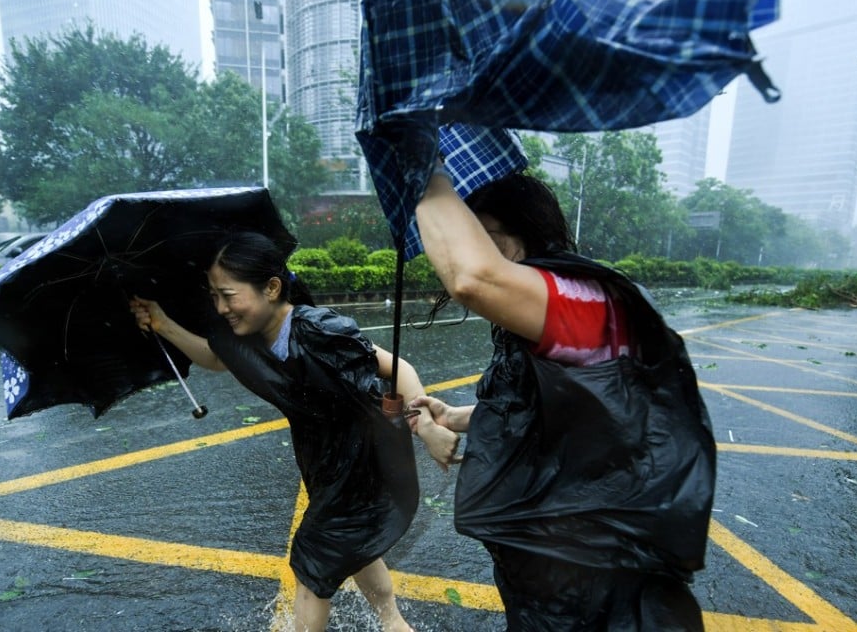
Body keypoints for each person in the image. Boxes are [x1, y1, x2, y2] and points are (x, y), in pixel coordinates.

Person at [406, 161, 717, 631]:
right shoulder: (536, 313)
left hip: (601, 578)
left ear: (527, 232)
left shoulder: (585, 303)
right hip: (547, 566)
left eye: (488, 238)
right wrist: (456, 417)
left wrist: (421, 168)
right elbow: (541, 407)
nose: (477, 251)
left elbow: (472, 280)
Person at [129, 229, 458, 632]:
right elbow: (218, 358)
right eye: (214, 295)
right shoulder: (246, 339)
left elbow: (399, 369)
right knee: (349, 543)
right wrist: (161, 323)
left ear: (271, 288)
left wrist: (426, 428)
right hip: (323, 460)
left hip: (366, 458)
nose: (221, 307)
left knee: (312, 559)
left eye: (229, 295)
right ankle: (393, 622)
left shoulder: (319, 329)